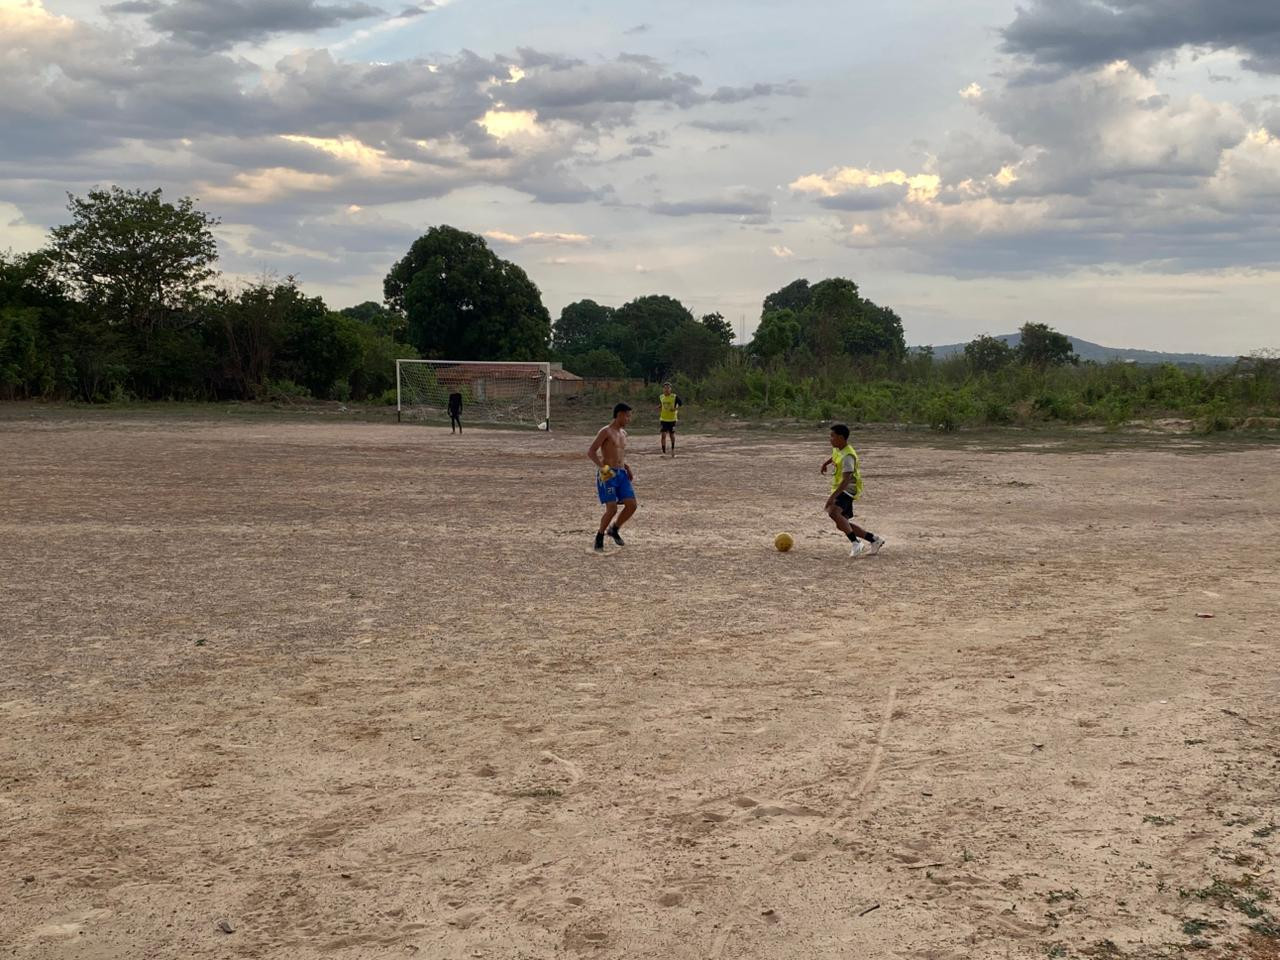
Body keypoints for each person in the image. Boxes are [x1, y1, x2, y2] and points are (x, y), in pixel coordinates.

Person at [821, 423, 886, 558]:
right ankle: (874, 539)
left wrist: (832, 497)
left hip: (848, 489)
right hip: (841, 488)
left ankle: (856, 543)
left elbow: (846, 481)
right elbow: (835, 456)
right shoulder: (838, 449)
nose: (830, 439)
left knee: (833, 512)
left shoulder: (848, 457)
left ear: (841, 437)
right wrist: (826, 463)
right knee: (842, 523)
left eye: (832, 436)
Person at [587, 403, 637, 552]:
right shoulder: (606, 431)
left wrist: (626, 467)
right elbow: (591, 451)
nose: (629, 419)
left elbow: (618, 454)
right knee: (612, 509)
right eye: (627, 416)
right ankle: (599, 536)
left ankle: (614, 529)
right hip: (608, 473)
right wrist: (602, 468)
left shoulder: (624, 433)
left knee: (632, 505)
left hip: (621, 473)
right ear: (620, 414)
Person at [657, 381, 682, 456]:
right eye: (665, 388)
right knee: (663, 435)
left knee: (671, 435)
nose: (666, 389)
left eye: (668, 388)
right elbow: (661, 404)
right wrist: (659, 407)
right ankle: (663, 452)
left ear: (670, 389)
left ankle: (673, 450)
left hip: (672, 419)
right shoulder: (661, 397)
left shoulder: (674, 396)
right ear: (663, 389)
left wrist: (675, 408)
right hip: (663, 418)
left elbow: (680, 403)